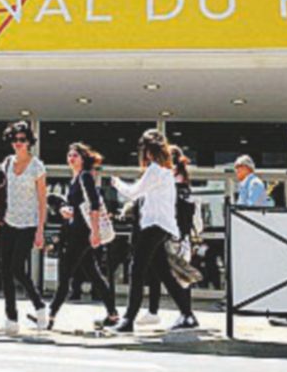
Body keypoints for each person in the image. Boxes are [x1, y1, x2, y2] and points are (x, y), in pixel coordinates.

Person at [111, 129, 198, 333]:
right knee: (164, 273)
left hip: (154, 226)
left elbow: (133, 192)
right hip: (162, 227)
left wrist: (116, 183)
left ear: (148, 151)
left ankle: (128, 319)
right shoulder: (165, 172)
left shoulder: (155, 171)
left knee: (137, 269)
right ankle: (188, 315)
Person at [46, 142, 118, 330]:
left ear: (83, 159)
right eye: (69, 155)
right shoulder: (75, 179)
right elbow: (79, 207)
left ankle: (50, 316)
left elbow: (94, 204)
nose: (71, 159)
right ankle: (113, 314)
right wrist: (66, 210)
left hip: (82, 234)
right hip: (77, 231)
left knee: (65, 274)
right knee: (94, 274)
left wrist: (94, 232)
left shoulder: (85, 177)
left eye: (75, 156)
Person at [0, 121, 48, 334]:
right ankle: (11, 318)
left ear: (29, 142)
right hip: (8, 221)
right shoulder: (7, 163)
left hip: (28, 223)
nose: (18, 143)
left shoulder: (37, 166)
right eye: (14, 140)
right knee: (4, 270)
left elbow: (42, 200)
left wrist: (40, 230)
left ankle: (39, 306)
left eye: (22, 140)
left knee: (16, 267)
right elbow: (3, 192)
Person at [142, 145, 200, 326]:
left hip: (173, 236)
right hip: (177, 236)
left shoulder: (174, 184)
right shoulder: (182, 184)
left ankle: (184, 313)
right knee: (165, 272)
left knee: (175, 274)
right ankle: (163, 311)